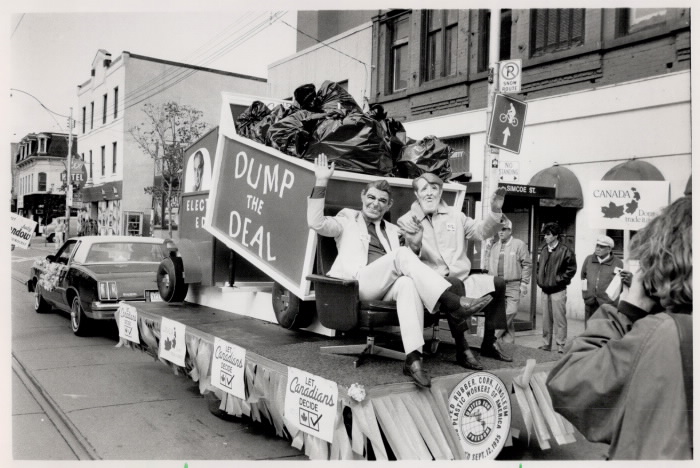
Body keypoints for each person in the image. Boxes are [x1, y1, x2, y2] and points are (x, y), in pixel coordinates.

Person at [308, 155, 492, 388]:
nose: (375, 203)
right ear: (363, 198)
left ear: (389, 206)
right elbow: (316, 223)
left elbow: (408, 268)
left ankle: (413, 359)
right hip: (355, 287)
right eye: (371, 197)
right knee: (400, 256)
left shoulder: (393, 230)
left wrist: (414, 245)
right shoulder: (346, 219)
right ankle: (453, 303)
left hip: (383, 288)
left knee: (406, 283)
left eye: (382, 201)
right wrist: (321, 181)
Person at [546, 196, 692, 460]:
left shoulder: (664, 334)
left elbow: (568, 385)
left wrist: (630, 308)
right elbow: (582, 277)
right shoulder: (589, 259)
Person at [397, 173, 512, 371]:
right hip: (431, 287)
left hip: (461, 279)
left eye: (434, 188)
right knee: (454, 283)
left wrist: (495, 211)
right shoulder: (406, 221)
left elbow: (481, 232)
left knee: (498, 283)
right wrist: (413, 243)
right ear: (417, 194)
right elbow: (404, 260)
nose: (430, 193)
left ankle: (489, 342)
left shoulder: (456, 216)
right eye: (424, 189)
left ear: (441, 191)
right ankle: (462, 347)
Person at [486, 218, 531, 344]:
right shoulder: (495, 246)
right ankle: (508, 345)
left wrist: (524, 283)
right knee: (502, 314)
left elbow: (527, 264)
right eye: (499, 229)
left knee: (511, 311)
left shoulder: (519, 244)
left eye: (504, 229)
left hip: (513, 284)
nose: (501, 232)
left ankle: (493, 337)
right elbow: (488, 265)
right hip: (497, 284)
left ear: (510, 231)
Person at [536, 222, 576, 353]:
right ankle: (546, 344)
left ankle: (561, 345)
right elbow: (538, 267)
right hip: (545, 290)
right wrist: (539, 279)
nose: (545, 237)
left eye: (548, 235)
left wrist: (559, 280)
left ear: (555, 236)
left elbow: (571, 269)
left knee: (560, 319)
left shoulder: (565, 251)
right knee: (546, 320)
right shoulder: (543, 250)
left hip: (558, 290)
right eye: (545, 234)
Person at [580, 235, 623, 327]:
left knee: (605, 329)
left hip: (607, 304)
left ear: (609, 249)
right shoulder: (589, 259)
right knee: (589, 328)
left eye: (602, 247)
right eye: (597, 245)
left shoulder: (618, 263)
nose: (598, 249)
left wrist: (610, 299)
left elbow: (619, 285)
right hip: (590, 302)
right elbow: (583, 277)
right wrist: (586, 295)